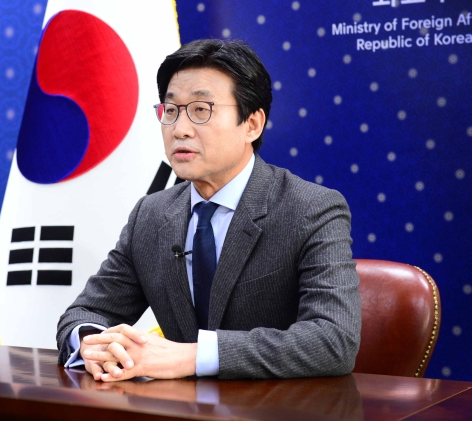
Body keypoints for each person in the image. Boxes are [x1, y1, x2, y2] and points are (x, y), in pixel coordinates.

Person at [56, 39, 361, 381]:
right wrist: (93, 344)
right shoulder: (151, 215)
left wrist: (193, 356)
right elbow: (85, 313)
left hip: (275, 404)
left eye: (201, 110)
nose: (180, 129)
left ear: (252, 124)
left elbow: (334, 339)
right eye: (171, 111)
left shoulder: (310, 209)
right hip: (177, 405)